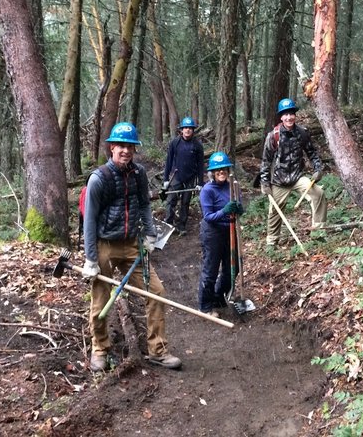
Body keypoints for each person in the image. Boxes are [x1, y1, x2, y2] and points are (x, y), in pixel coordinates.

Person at [82, 122, 182, 371]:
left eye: (130, 146)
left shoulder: (138, 174)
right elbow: (90, 220)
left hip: (131, 245)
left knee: (156, 291)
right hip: (104, 244)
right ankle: (100, 349)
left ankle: (157, 350)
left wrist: (150, 235)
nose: (126, 151)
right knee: (100, 298)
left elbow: (145, 205)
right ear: (112, 147)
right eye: (121, 146)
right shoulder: (99, 179)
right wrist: (91, 259)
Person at [259, 98, 326, 247]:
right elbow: (266, 161)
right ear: (281, 117)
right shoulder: (273, 136)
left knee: (318, 194)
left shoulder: (302, 133)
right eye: (285, 114)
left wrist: (318, 169)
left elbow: (312, 153)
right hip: (279, 180)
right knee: (274, 210)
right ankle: (271, 242)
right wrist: (264, 182)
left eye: (291, 114)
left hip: (297, 177)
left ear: (295, 115)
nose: (289, 117)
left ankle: (319, 232)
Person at [198, 151, 243, 317]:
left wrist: (238, 209)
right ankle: (205, 306)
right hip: (212, 232)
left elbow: (240, 208)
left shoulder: (233, 187)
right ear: (212, 173)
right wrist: (225, 211)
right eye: (218, 170)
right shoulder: (207, 190)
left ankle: (218, 296)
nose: (221, 172)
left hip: (230, 230)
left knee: (233, 268)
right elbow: (208, 217)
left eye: (223, 169)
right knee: (211, 269)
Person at [162, 116, 206, 234]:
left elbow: (201, 165)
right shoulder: (174, 143)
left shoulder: (197, 145)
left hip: (190, 178)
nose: (187, 130)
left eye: (190, 128)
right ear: (181, 130)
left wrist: (200, 183)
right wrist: (166, 179)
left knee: (185, 202)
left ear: (193, 130)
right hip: (176, 177)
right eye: (185, 128)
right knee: (171, 201)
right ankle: (168, 225)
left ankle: (182, 226)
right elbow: (169, 161)